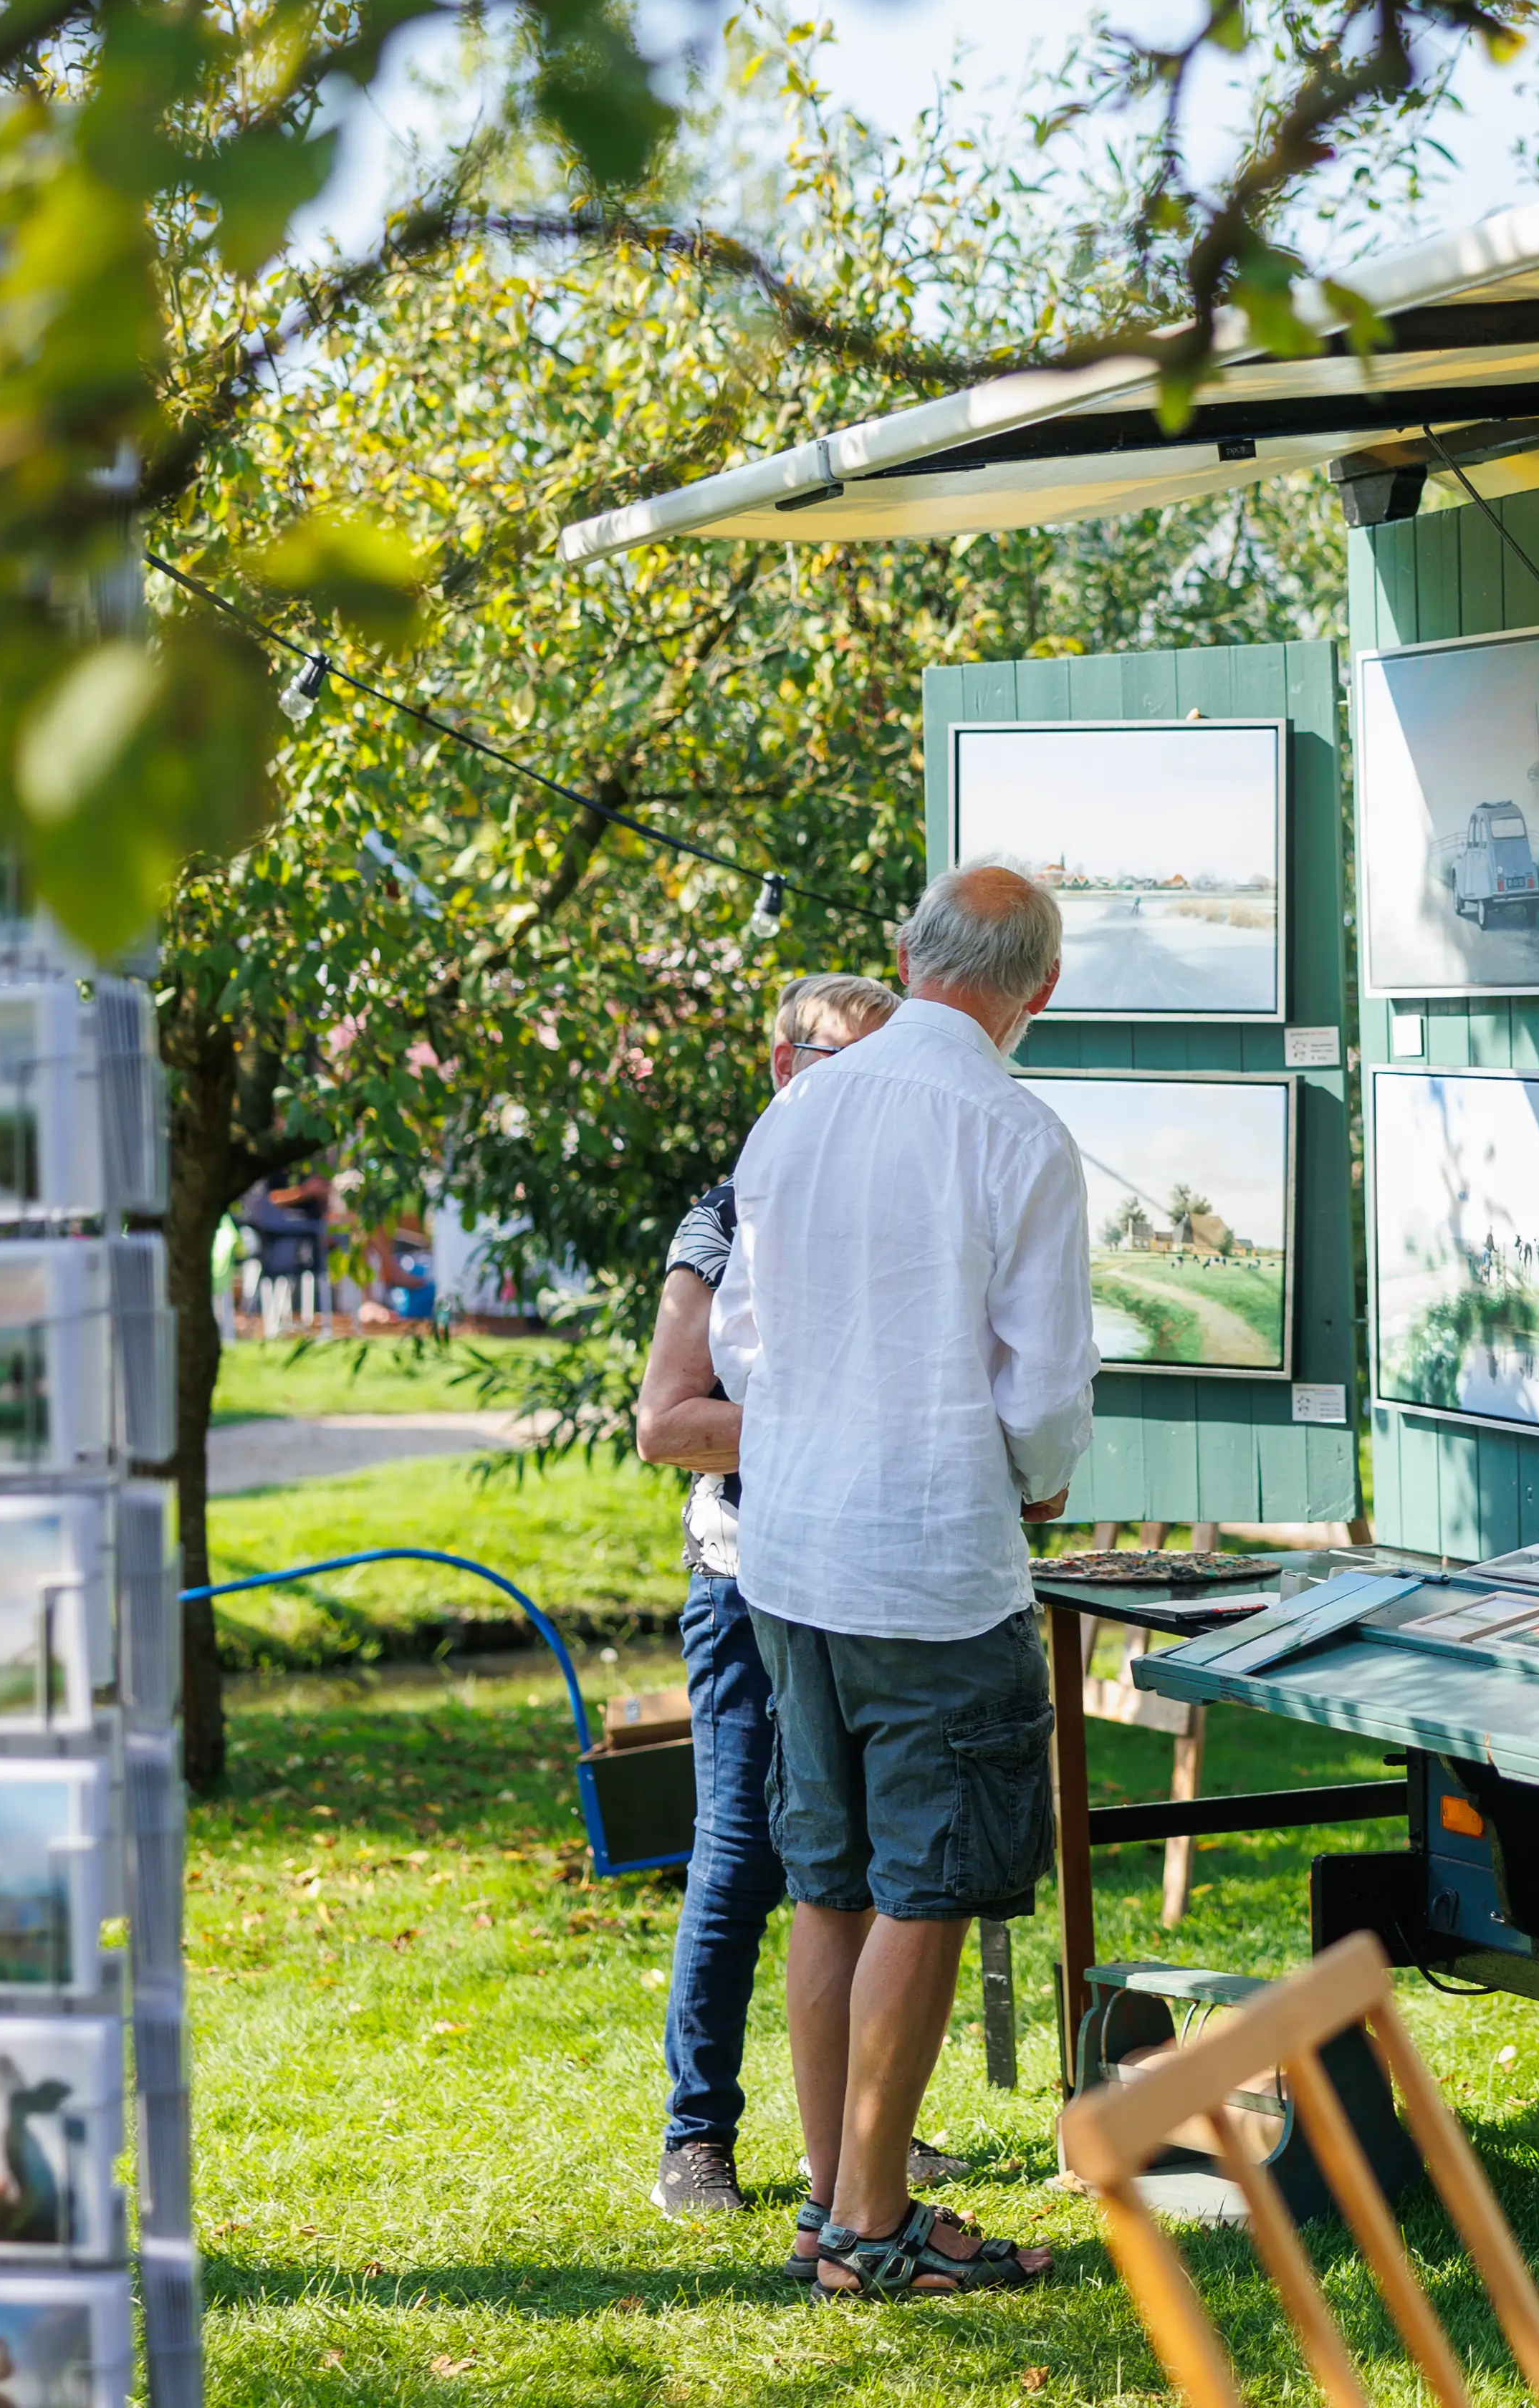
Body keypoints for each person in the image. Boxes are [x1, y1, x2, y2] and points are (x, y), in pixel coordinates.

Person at [712, 863, 1097, 2298]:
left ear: (904, 952)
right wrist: (1036, 1474)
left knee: (829, 1884)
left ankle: (835, 2204)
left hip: (792, 1549)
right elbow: (1043, 1390)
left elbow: (742, 1343)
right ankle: (869, 2229)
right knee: (926, 1889)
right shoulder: (1016, 1129)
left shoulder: (797, 1110)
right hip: (930, 1557)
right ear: (1040, 990)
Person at [631, 971, 962, 2224]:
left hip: (866, 1580)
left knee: (871, 1867)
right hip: (747, 1583)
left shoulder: (896, 1212)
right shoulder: (725, 1219)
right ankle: (697, 2137)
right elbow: (667, 1425)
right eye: (840, 1065)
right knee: (742, 1856)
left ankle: (869, 2136)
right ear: (783, 1068)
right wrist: (834, 1418)